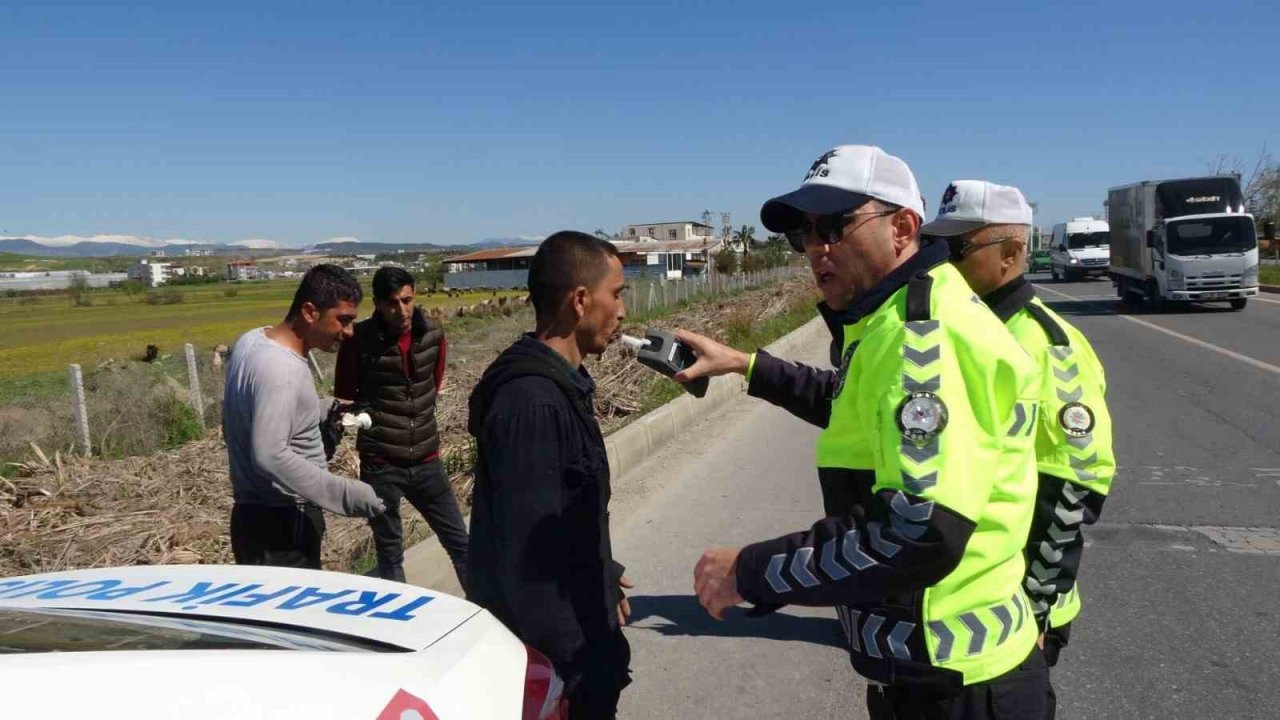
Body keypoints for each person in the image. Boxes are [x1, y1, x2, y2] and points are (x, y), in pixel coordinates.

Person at [679, 145, 1051, 718]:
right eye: (804, 234)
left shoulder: (923, 338)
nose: (816, 249)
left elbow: (918, 530)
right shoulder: (890, 321)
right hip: (933, 676)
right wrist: (744, 364)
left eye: (835, 226)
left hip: (962, 688)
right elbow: (852, 407)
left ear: (903, 227)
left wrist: (751, 572)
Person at [922, 180, 1115, 678]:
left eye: (955, 249)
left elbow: (1071, 487)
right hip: (956, 608)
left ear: (1010, 253)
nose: (940, 261)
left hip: (1017, 616)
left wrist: (1036, 610)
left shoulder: (1047, 345)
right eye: (932, 246)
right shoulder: (959, 328)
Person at [467, 231, 633, 720]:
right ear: (581, 301)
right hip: (561, 673)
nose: (623, 311)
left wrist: (603, 575)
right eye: (617, 294)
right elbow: (529, 567)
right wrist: (565, 681)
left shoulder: (560, 388)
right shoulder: (532, 405)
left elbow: (559, 516)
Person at [223, 264, 385, 569]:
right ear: (310, 312)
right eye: (343, 320)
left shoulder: (252, 341)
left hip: (251, 520)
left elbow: (252, 411)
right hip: (283, 525)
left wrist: (320, 408)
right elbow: (269, 454)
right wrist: (344, 494)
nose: (349, 332)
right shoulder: (282, 370)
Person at [332, 266, 469, 587]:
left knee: (460, 543)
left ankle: (488, 614)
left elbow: (431, 387)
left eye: (407, 300)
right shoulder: (359, 341)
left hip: (427, 460)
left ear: (414, 296)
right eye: (393, 303)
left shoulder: (433, 334)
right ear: (379, 304)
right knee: (390, 554)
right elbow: (345, 397)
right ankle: (399, 631)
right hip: (382, 466)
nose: (402, 310)